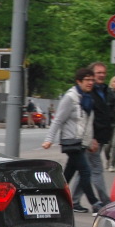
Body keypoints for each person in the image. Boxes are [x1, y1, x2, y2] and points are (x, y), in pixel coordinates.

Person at [41, 67, 101, 213]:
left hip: (81, 142)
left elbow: (86, 123)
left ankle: (52, 199)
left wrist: (90, 140)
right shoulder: (71, 98)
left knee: (68, 174)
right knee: (86, 171)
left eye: (92, 80)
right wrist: (49, 139)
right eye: (87, 80)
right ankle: (95, 203)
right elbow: (58, 120)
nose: (90, 82)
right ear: (78, 81)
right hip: (71, 141)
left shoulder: (87, 97)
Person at [85, 62, 115, 207]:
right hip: (91, 137)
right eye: (98, 72)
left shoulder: (105, 90)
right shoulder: (87, 92)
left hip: (102, 134)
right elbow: (86, 118)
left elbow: (108, 110)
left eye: (104, 73)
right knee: (96, 170)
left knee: (84, 170)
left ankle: (72, 201)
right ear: (91, 74)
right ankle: (105, 201)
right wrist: (91, 138)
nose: (102, 75)